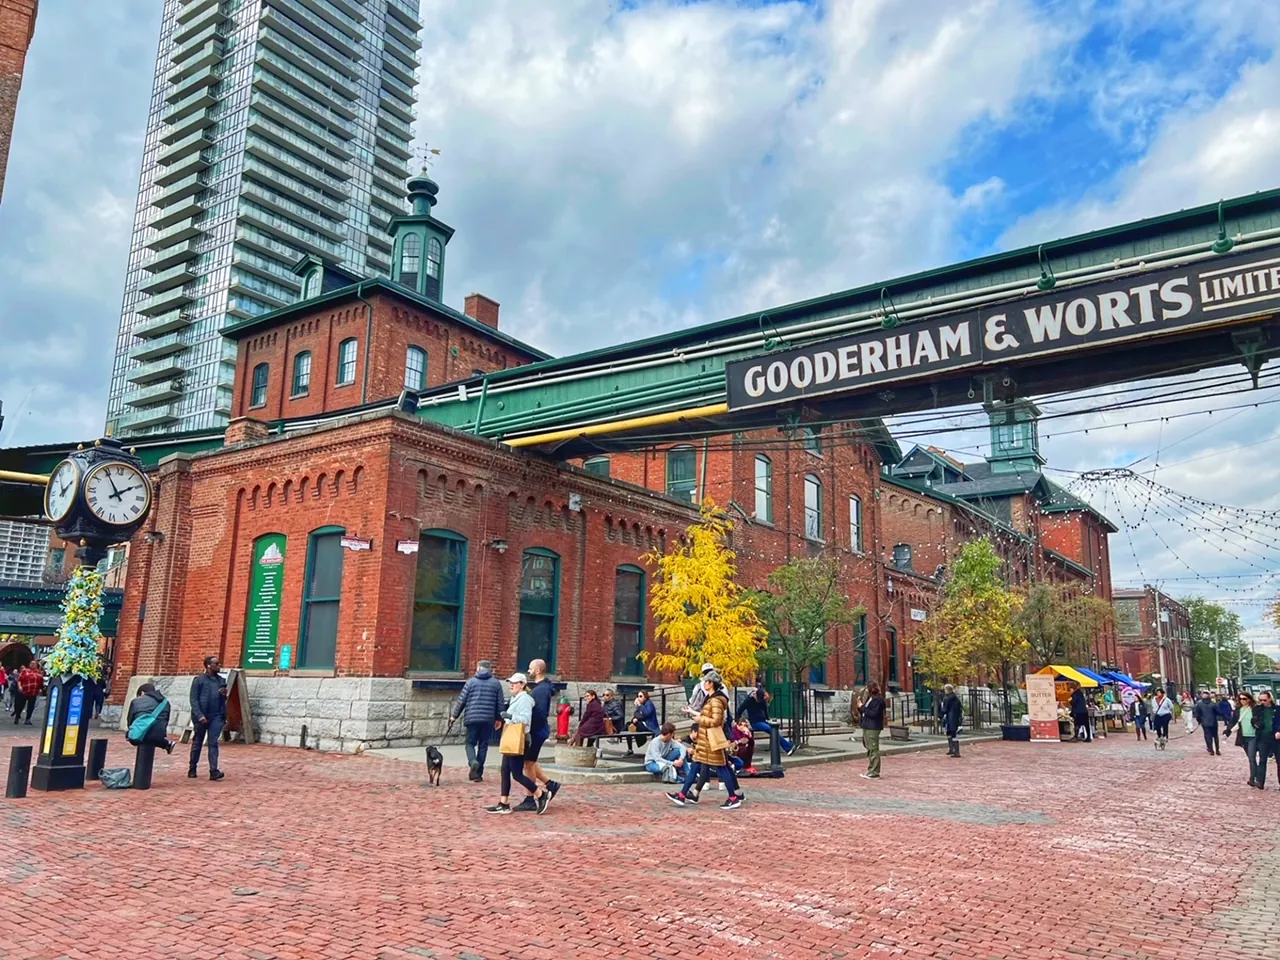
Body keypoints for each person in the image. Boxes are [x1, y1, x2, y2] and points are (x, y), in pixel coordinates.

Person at [666, 672, 744, 809]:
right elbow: (707, 715)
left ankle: (733, 797)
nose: (704, 684)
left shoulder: (716, 700)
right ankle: (683, 795)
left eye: (706, 682)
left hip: (711, 741)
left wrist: (699, 719)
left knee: (722, 767)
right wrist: (693, 712)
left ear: (711, 684)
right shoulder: (710, 698)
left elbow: (717, 720)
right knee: (696, 766)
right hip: (705, 740)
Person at [485, 673, 548, 815]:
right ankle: (504, 803)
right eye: (510, 683)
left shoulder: (525, 699)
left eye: (514, 683)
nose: (511, 685)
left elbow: (525, 720)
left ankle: (540, 794)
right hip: (512, 738)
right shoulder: (516, 698)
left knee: (517, 774)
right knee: (505, 770)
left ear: (522, 684)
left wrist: (510, 716)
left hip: (519, 739)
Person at [449, 659, 505, 783]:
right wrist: (499, 719)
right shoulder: (496, 684)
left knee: (470, 743)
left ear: (478, 668)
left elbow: (461, 701)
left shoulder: (471, 682)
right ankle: (478, 774)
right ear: (489, 669)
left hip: (472, 718)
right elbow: (500, 704)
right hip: (488, 720)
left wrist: (454, 716)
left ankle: (472, 761)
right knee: (483, 745)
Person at [517, 658, 561, 812]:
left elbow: (540, 713)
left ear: (538, 671)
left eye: (530, 668)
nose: (528, 671)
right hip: (538, 730)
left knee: (528, 764)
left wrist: (528, 726)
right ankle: (550, 784)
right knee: (530, 761)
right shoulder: (540, 688)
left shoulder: (540, 691)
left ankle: (530, 798)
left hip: (536, 731)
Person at [189, 655, 228, 781]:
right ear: (208, 666)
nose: (219, 666)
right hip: (201, 716)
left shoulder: (221, 681)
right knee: (198, 742)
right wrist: (199, 715)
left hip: (216, 715)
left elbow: (223, 699)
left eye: (219, 663)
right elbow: (193, 700)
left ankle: (213, 770)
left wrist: (224, 695)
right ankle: (192, 767)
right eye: (216, 664)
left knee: (213, 742)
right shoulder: (199, 680)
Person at [736, 680, 798, 756]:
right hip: (755, 722)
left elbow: (765, 709)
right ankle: (788, 747)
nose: (760, 701)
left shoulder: (762, 699)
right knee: (770, 729)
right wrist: (737, 721)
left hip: (763, 720)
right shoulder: (749, 700)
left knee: (774, 728)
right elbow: (740, 709)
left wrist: (768, 718)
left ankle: (788, 746)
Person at [126, 683, 175, 754]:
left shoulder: (136, 701)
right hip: (159, 736)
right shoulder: (166, 703)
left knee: (134, 734)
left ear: (142, 693)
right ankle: (166, 744)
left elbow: (130, 721)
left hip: (138, 736)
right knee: (154, 734)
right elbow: (166, 720)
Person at [1225, 691, 1258, 787]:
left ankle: (1252, 778)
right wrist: (1227, 732)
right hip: (1243, 736)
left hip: (1253, 736)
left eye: (1244, 699)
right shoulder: (1238, 710)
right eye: (1240, 699)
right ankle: (1255, 774)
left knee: (1252, 758)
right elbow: (1233, 722)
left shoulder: (1255, 709)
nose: (1242, 701)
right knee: (1250, 758)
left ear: (1249, 699)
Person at [1251, 690, 1280, 790]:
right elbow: (1253, 720)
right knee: (1262, 760)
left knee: (1279, 761)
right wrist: (1256, 723)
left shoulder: (1278, 709)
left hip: (1276, 738)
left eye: (1264, 700)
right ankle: (1260, 782)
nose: (1262, 702)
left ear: (1270, 699)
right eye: (1260, 700)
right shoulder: (1258, 709)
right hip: (1263, 738)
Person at [858, 682, 886, 779]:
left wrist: (862, 707)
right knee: (869, 748)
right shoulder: (870, 699)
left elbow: (873, 714)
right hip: (867, 726)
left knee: (873, 749)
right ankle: (871, 770)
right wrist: (860, 707)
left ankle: (874, 772)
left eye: (867, 688)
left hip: (873, 727)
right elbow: (865, 711)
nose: (865, 691)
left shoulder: (878, 700)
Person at [1192, 689, 1221, 756]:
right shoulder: (1213, 704)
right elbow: (1218, 712)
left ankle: (1211, 750)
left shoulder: (1199, 704)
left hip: (1205, 723)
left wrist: (1199, 721)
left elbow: (1197, 715)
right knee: (1215, 736)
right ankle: (1217, 750)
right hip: (1213, 722)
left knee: (1208, 736)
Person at [14, 661, 42, 725]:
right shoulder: (25, 671)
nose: (33, 665)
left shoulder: (38, 672)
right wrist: (20, 687)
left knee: (31, 706)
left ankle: (28, 719)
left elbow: (40, 682)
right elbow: (19, 680)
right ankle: (17, 716)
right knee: (20, 705)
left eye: (34, 664)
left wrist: (40, 689)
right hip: (24, 691)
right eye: (32, 664)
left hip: (33, 692)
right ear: (29, 664)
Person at [940, 684, 963, 758]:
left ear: (946, 690)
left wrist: (939, 715)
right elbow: (960, 708)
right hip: (955, 718)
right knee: (953, 734)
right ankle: (954, 750)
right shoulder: (956, 698)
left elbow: (944, 709)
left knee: (950, 733)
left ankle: (954, 750)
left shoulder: (946, 698)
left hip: (949, 718)